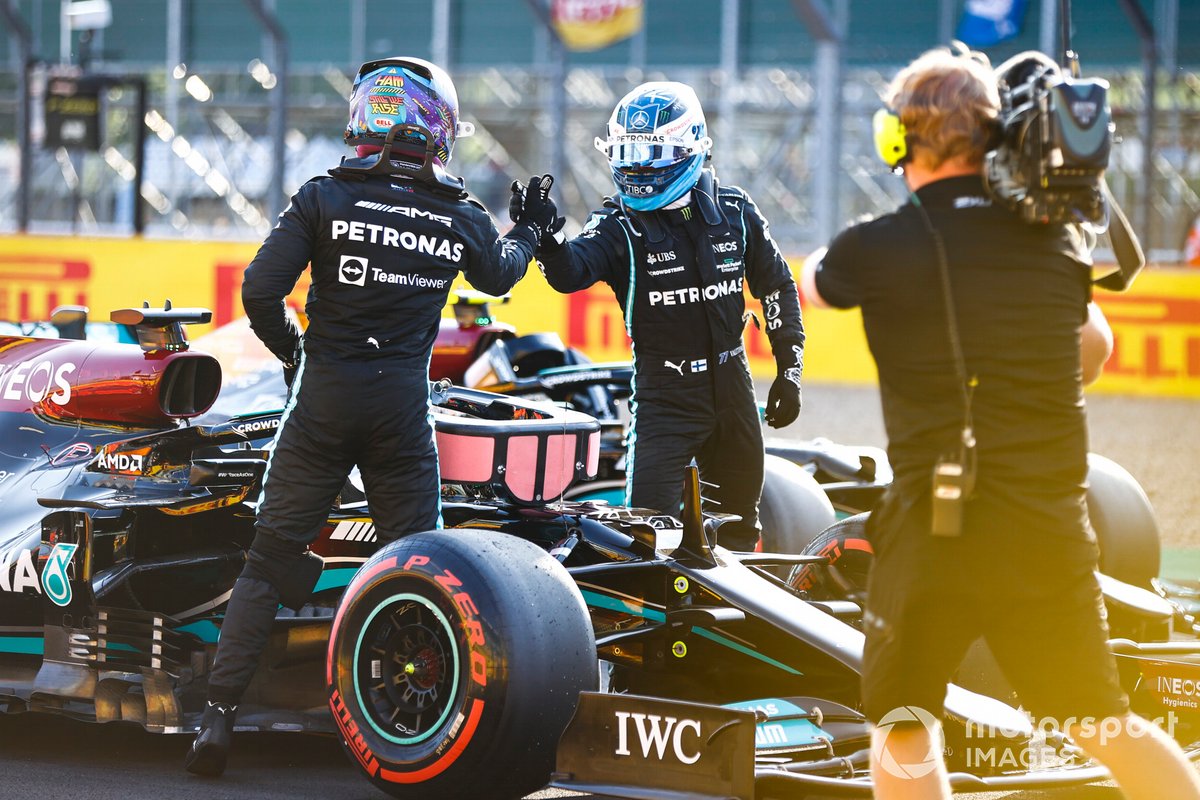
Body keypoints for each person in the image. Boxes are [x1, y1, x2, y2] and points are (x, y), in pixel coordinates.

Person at [800, 46, 1200, 800]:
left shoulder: (877, 246)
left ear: (899, 142)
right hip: (1047, 529)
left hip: (933, 531)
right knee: (1102, 721)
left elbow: (812, 283)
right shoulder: (1055, 243)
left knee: (907, 721)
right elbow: (1095, 349)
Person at [184, 56, 557, 777]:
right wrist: (532, 231)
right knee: (422, 570)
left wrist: (297, 356)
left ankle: (216, 723)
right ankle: (416, 726)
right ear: (438, 127)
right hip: (399, 414)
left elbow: (260, 291)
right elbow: (502, 274)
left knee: (265, 564)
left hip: (321, 401)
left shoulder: (324, 196)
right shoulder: (459, 214)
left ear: (367, 117)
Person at [524, 81, 804, 550]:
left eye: (653, 151)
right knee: (645, 542)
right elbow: (570, 273)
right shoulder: (620, 225)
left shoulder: (735, 211)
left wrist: (789, 371)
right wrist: (547, 239)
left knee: (739, 536)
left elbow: (777, 286)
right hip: (665, 402)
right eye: (629, 150)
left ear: (690, 146)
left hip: (734, 393)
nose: (638, 165)